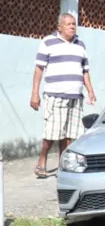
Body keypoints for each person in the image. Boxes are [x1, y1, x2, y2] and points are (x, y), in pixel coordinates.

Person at [30, 13, 96, 178]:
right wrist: (35, 93)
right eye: (69, 24)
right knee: (52, 133)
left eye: (74, 24)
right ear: (59, 27)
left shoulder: (80, 44)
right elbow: (39, 69)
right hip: (55, 95)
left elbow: (85, 71)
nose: (72, 27)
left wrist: (90, 91)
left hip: (75, 97)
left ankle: (63, 166)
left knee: (70, 134)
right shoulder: (47, 42)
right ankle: (41, 162)